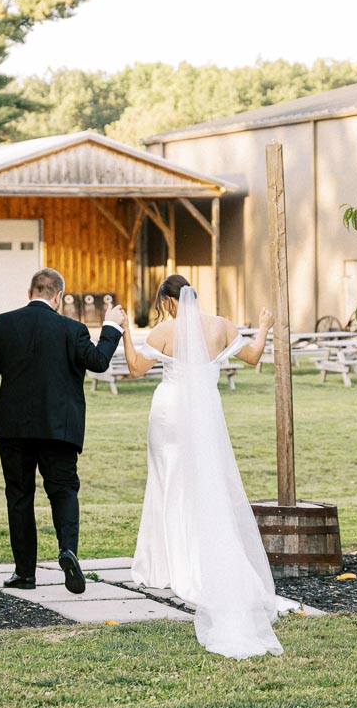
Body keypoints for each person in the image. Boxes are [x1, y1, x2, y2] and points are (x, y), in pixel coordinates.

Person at [122, 274, 294, 660]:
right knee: (207, 485)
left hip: (169, 414)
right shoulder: (221, 326)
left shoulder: (165, 331)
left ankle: (165, 564)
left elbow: (134, 368)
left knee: (167, 482)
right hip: (207, 415)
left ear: (168, 301)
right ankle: (201, 556)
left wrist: (123, 332)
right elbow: (251, 357)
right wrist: (264, 328)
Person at [0, 267, 126, 595]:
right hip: (59, 427)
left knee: (19, 496)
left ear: (30, 293)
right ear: (58, 296)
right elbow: (100, 362)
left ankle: (24, 574)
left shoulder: (3, 323)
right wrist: (113, 325)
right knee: (63, 490)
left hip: (12, 427)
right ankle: (67, 549)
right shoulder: (73, 329)